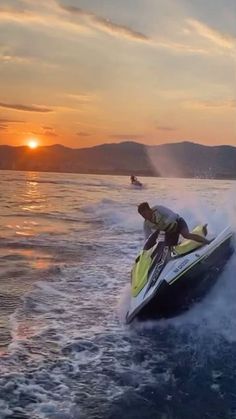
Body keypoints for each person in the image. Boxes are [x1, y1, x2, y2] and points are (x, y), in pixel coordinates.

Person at [137, 202, 212, 246]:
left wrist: (166, 223)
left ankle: (208, 242)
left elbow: (173, 215)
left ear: (149, 210)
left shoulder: (158, 209)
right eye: (142, 215)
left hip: (178, 222)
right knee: (167, 248)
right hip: (170, 231)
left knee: (186, 235)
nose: (144, 216)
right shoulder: (146, 224)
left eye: (144, 213)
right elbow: (147, 237)